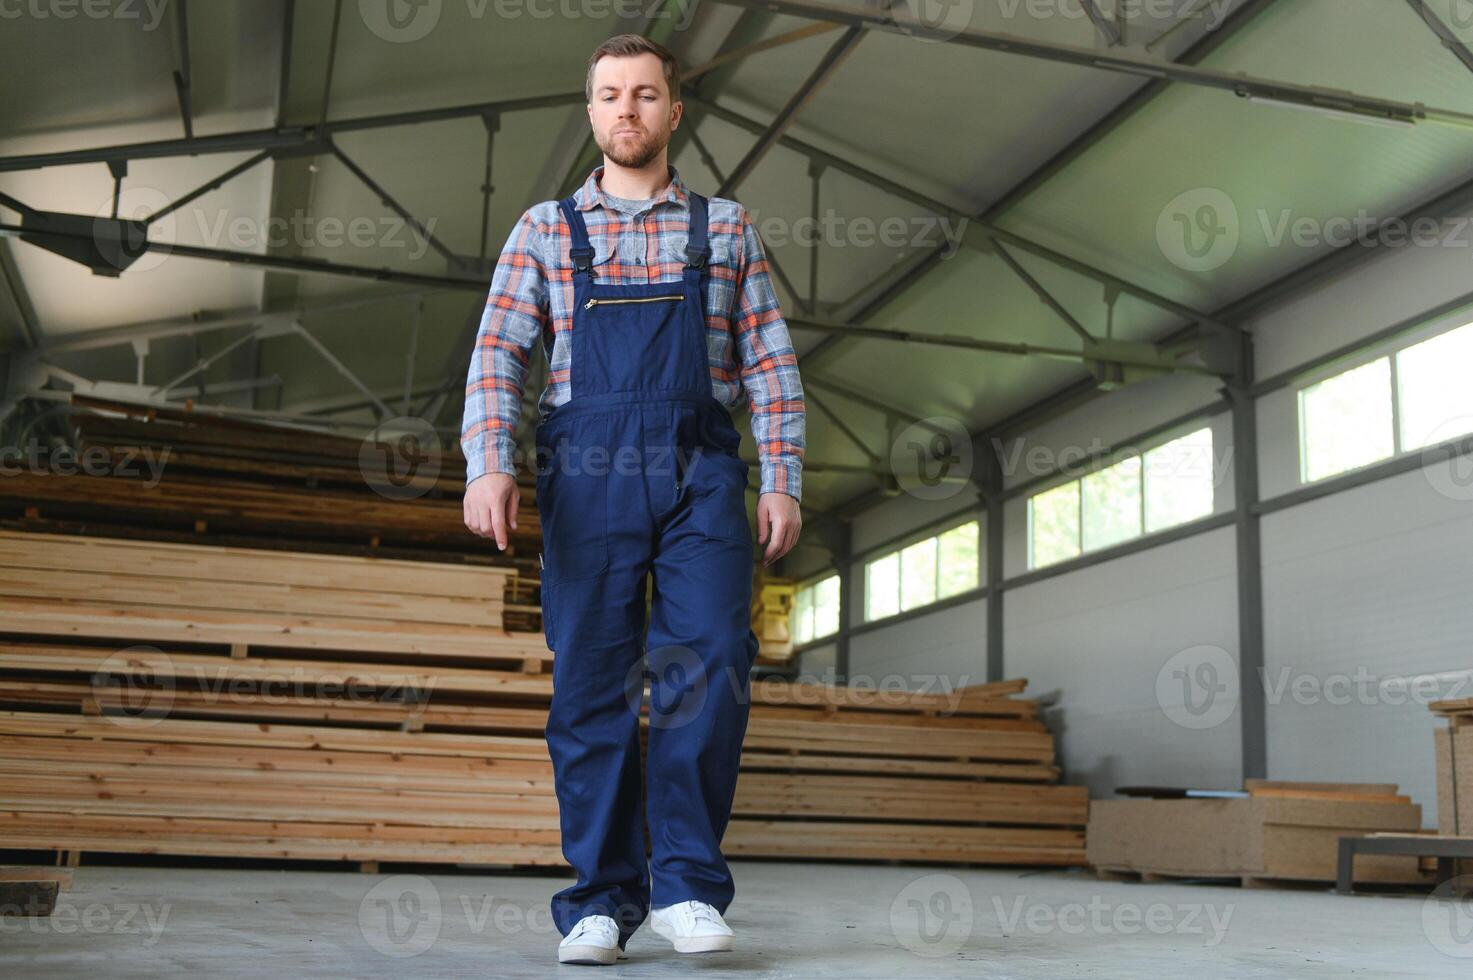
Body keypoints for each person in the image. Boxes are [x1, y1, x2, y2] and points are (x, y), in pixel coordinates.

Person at [460, 33, 806, 965]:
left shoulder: (723, 228)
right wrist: (487, 462)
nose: (628, 110)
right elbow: (500, 353)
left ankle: (686, 888)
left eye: (646, 95)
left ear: (673, 110)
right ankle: (598, 902)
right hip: (587, 477)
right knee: (590, 683)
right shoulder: (542, 230)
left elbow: (770, 363)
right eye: (610, 95)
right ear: (590, 112)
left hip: (701, 473)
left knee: (711, 664)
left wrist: (782, 478)